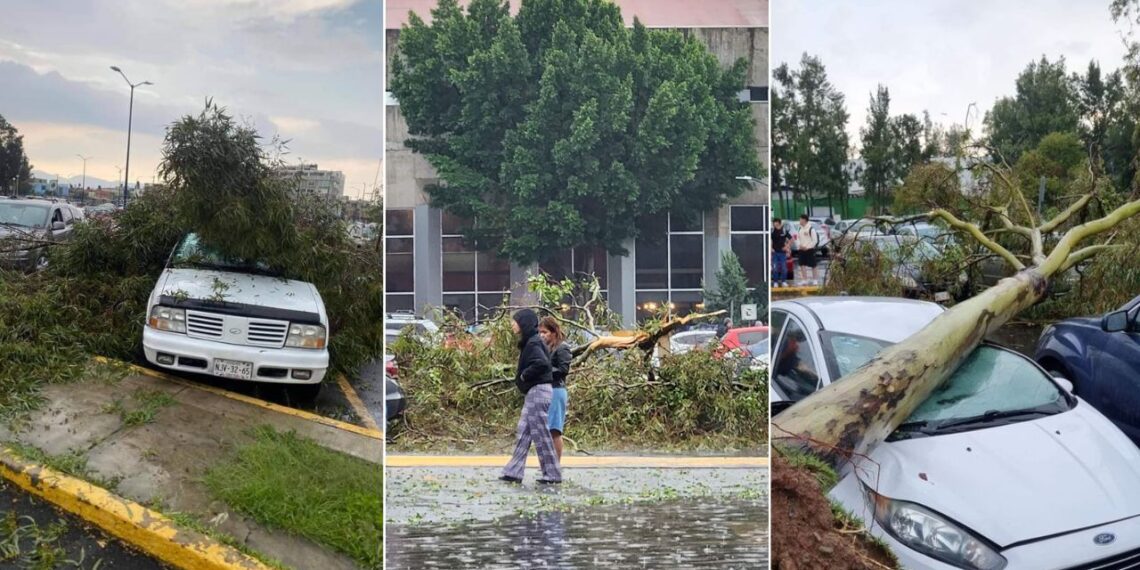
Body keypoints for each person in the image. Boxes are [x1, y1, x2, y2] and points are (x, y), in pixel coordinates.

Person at [500, 309, 562, 484]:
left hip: (538, 391)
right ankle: (513, 471)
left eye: (516, 321)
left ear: (524, 323)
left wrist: (524, 375)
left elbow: (542, 363)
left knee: (540, 434)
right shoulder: (532, 341)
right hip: (536, 392)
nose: (513, 324)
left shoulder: (534, 342)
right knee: (524, 433)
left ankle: (552, 474)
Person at [538, 316, 572, 461]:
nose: (542, 335)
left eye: (545, 332)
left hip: (557, 390)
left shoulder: (562, 347)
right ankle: (547, 462)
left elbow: (564, 369)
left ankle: (555, 463)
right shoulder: (546, 348)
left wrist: (545, 371)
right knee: (545, 429)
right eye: (540, 332)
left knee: (554, 430)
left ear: (553, 332)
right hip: (546, 390)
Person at [796, 214, 820, 286]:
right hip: (801, 249)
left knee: (813, 265)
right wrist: (799, 245)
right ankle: (804, 280)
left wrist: (808, 247)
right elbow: (797, 238)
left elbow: (815, 240)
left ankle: (815, 280)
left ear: (804, 220)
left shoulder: (811, 229)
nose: (799, 221)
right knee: (802, 264)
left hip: (809, 249)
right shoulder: (799, 229)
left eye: (800, 219)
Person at [771, 218, 791, 287]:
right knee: (775, 268)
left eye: (775, 222)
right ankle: (775, 282)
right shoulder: (772, 231)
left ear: (779, 223)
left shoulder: (784, 230)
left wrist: (787, 247)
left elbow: (791, 239)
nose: (774, 224)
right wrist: (770, 248)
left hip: (782, 253)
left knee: (784, 268)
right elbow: (769, 239)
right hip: (774, 253)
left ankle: (784, 281)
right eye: (773, 222)